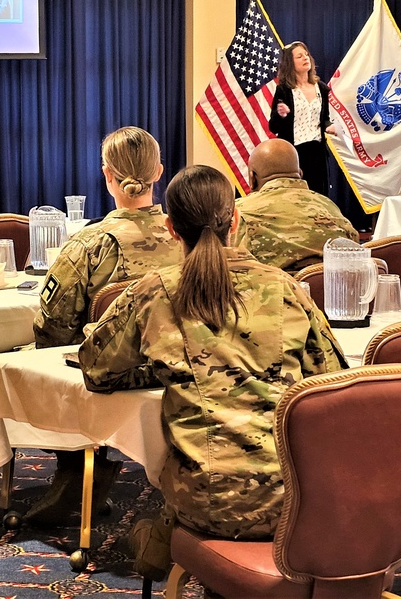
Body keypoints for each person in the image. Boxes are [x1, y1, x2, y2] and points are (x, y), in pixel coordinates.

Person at [80, 164, 346, 581]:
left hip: (210, 503)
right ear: (235, 220)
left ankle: (163, 545)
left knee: (151, 525)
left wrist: (167, 370)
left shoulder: (154, 291)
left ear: (170, 228)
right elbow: (332, 382)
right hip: (298, 499)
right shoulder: (285, 287)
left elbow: (96, 371)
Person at [27, 126, 182, 526]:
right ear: (159, 171)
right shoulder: (187, 235)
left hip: (111, 377)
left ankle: (76, 468)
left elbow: (51, 327)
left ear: (107, 174)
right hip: (183, 370)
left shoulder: (88, 244)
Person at [236, 138, 358, 273]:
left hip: (275, 292)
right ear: (300, 173)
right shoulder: (330, 207)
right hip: (334, 291)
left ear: (252, 178)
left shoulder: (240, 212)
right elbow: (355, 250)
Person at [268, 41, 336, 196]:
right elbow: (273, 127)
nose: (305, 58)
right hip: (294, 154)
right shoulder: (284, 90)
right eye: (299, 56)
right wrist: (281, 115)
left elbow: (324, 118)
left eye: (306, 54)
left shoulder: (322, 88)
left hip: (317, 152)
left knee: (319, 197)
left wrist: (329, 126)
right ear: (290, 64)